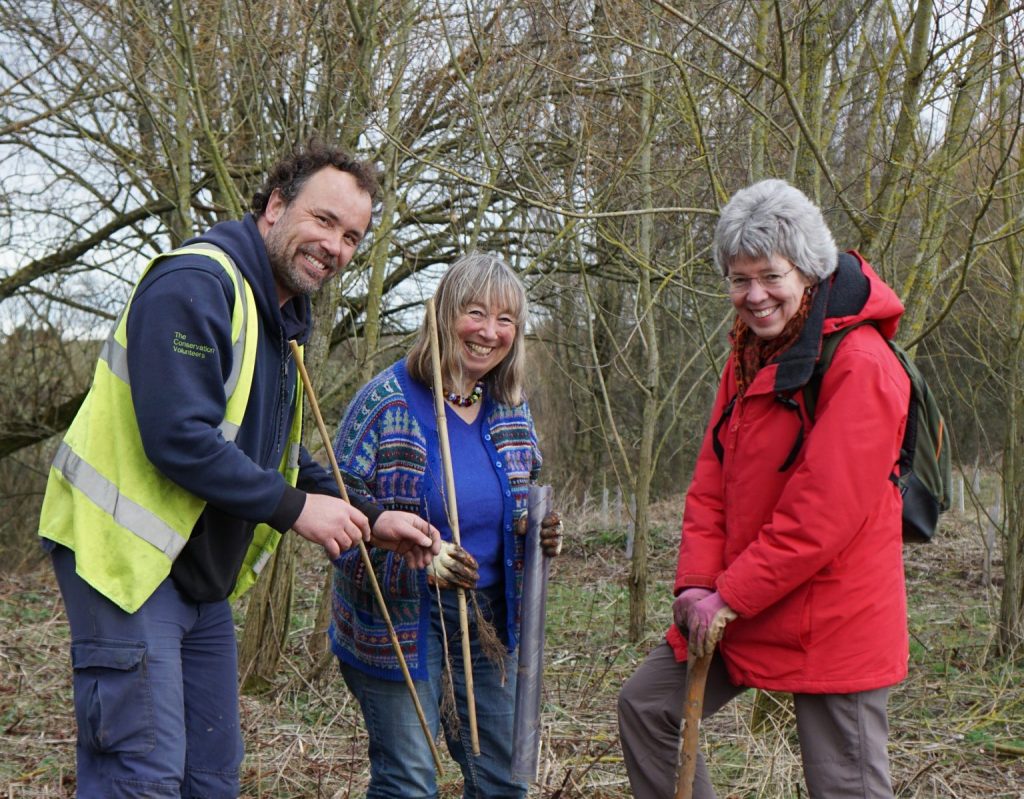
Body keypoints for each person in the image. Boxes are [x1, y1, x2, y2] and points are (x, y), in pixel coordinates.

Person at [37, 140, 441, 799]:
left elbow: (281, 459)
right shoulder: (197, 283)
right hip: (125, 561)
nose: (335, 246)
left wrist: (372, 517)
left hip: (196, 580)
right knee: (141, 775)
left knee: (211, 775)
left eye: (351, 237)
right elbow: (178, 437)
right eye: (323, 220)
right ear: (277, 205)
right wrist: (294, 508)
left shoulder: (277, 319)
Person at [617, 179, 910, 799]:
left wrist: (729, 595)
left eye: (770, 276)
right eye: (738, 278)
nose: (754, 296)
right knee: (648, 707)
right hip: (741, 596)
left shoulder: (862, 363)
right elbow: (711, 483)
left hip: (833, 610)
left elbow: (821, 514)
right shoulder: (749, 354)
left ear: (808, 270)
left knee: (846, 785)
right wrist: (699, 584)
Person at [329, 253, 562, 799]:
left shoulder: (511, 408)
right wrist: (416, 557)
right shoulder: (384, 405)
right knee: (410, 780)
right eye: (475, 313)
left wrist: (540, 530)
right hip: (400, 622)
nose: (489, 332)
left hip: (488, 622)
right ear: (442, 315)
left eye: (506, 320)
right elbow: (335, 515)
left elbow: (525, 498)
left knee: (504, 780)